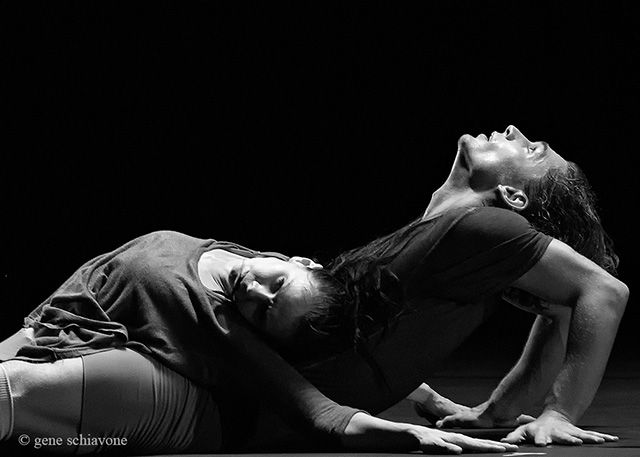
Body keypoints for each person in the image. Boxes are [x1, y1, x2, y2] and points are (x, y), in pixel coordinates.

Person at [1, 124, 628, 454]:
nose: (514, 129)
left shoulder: (480, 228)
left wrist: (559, 412)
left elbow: (599, 292)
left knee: (15, 396)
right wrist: (496, 411)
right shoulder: (441, 244)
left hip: (214, 394)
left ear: (513, 196)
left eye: (532, 148)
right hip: (194, 359)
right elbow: (555, 307)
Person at [0, 230, 514, 454]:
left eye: (263, 311)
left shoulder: (219, 324)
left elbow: (316, 411)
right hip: (54, 324)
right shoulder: (243, 258)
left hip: (111, 363)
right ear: (300, 262)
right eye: (278, 284)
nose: (256, 291)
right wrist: (428, 397)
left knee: (11, 392)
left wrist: (411, 436)